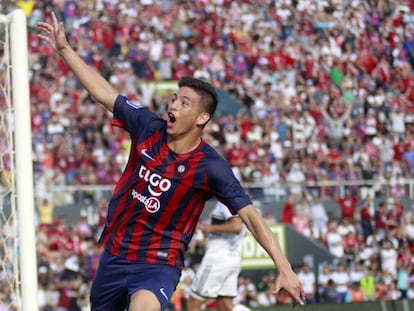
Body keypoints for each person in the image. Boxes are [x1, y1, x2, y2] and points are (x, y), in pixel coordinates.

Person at [37, 12, 305, 311]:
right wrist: (65, 50)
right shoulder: (147, 126)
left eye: (184, 102)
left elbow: (251, 216)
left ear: (202, 118)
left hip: (158, 264)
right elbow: (103, 93)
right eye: (175, 98)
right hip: (115, 255)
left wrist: (284, 266)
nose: (174, 104)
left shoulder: (211, 167)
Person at [187, 201, 247, 311]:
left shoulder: (226, 201)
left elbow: (236, 226)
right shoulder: (243, 201)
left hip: (217, 259)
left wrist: (210, 228)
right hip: (233, 258)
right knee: (225, 305)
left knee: (193, 303)